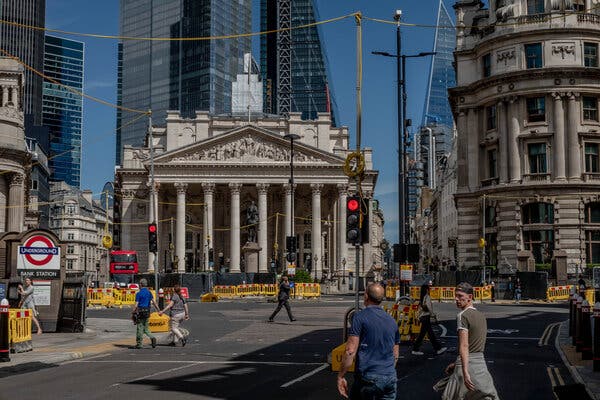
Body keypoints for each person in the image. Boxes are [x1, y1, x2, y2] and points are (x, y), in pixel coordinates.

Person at [337, 283, 400, 400]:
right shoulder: (391, 320)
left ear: (366, 296)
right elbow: (395, 353)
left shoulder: (360, 317)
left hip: (368, 377)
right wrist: (387, 371)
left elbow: (350, 351)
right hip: (390, 377)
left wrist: (341, 375)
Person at [440, 282, 498, 400]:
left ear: (470, 297)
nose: (456, 299)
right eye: (455, 296)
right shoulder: (481, 316)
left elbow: (465, 345)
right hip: (480, 364)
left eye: (460, 296)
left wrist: (465, 372)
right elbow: (475, 343)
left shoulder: (462, 315)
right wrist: (456, 364)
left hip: (467, 365)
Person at [412, 283, 447, 356]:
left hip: (423, 317)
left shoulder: (422, 297)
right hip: (426, 317)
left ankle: (416, 349)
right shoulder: (427, 297)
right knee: (430, 334)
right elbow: (429, 307)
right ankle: (438, 349)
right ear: (427, 290)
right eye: (428, 289)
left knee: (424, 334)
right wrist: (432, 314)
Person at [131, 279, 160, 349]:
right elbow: (154, 302)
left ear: (141, 284)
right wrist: (159, 310)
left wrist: (133, 312)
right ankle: (152, 337)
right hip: (147, 312)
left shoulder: (139, 293)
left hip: (140, 312)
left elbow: (136, 304)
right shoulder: (149, 293)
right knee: (146, 329)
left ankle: (139, 344)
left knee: (139, 328)